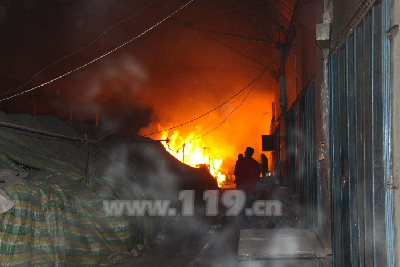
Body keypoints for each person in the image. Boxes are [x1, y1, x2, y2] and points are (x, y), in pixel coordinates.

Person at [234, 147, 260, 229]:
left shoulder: (240, 162)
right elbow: (257, 176)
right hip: (251, 189)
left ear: (245, 153)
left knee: (242, 207)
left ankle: (244, 224)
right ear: (252, 153)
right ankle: (248, 223)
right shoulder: (255, 163)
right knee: (249, 206)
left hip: (241, 188)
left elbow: (236, 173)